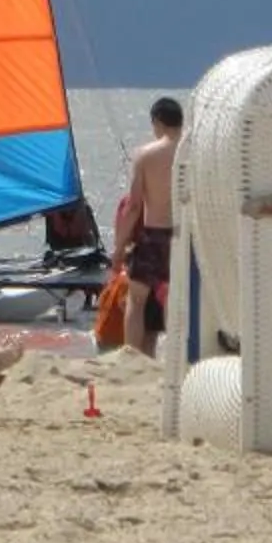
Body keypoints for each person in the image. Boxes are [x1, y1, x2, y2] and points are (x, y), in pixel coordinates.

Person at [110, 97, 184, 359]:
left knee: (137, 299)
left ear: (158, 121)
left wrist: (119, 247)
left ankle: (132, 358)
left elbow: (133, 206)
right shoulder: (195, 153)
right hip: (183, 237)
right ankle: (175, 359)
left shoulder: (146, 155)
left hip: (153, 235)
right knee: (176, 300)